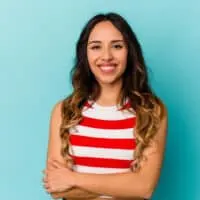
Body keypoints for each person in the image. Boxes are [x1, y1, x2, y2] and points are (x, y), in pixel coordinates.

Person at [42, 12, 167, 200]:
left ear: (130, 52)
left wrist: (73, 178)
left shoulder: (151, 111)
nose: (106, 56)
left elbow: (143, 187)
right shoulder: (64, 111)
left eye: (117, 46)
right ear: (85, 53)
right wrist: (124, 185)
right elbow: (57, 188)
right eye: (96, 47)